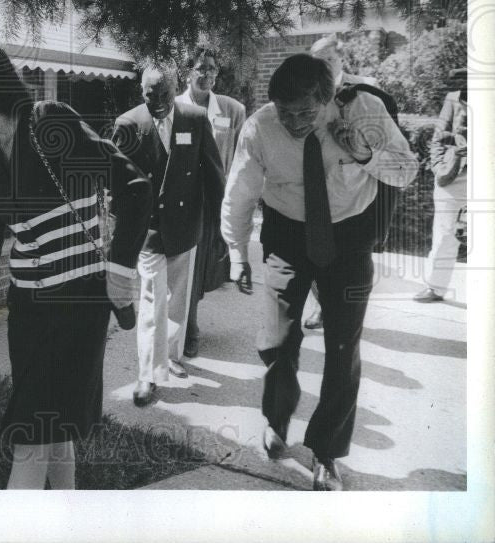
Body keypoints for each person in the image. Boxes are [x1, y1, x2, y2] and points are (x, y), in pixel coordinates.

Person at [0, 41, 151, 489]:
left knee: (31, 435)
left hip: (78, 303)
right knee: (52, 433)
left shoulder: (49, 121)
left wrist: (120, 271)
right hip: (29, 310)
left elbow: (135, 188)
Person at [221, 54, 417, 490]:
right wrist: (236, 255)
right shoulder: (260, 126)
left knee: (343, 346)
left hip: (348, 237)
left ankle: (326, 452)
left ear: (327, 100)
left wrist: (365, 154)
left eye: (305, 113)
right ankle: (276, 418)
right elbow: (239, 195)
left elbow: (406, 171)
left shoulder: (363, 109)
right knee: (276, 336)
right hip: (287, 234)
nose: (293, 124)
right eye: (285, 113)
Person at [113, 63, 224, 405]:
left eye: (165, 94)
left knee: (177, 299)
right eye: (151, 94)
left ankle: (169, 358)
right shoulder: (128, 124)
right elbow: (115, 182)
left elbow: (213, 174)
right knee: (151, 299)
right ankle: (147, 375)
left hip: (186, 227)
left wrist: (219, 228)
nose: (158, 101)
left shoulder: (195, 117)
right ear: (140, 91)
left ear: (176, 89)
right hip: (147, 230)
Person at [304, 33, 380, 330]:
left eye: (329, 60)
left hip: (351, 187)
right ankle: (323, 306)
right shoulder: (305, 90)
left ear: (341, 60)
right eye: (317, 62)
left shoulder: (364, 90)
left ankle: (343, 310)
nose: (323, 66)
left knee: (348, 259)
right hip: (313, 185)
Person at [175, 47, 247, 358]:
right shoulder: (174, 107)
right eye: (201, 68)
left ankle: (190, 320)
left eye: (213, 69)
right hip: (183, 203)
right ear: (187, 72)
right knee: (187, 268)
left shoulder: (233, 111)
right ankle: (189, 330)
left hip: (218, 201)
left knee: (208, 265)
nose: (207, 75)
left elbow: (244, 159)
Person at [415, 69, 468, 302]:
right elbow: (438, 136)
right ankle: (435, 288)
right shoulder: (453, 98)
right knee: (445, 233)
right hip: (454, 174)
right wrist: (438, 165)